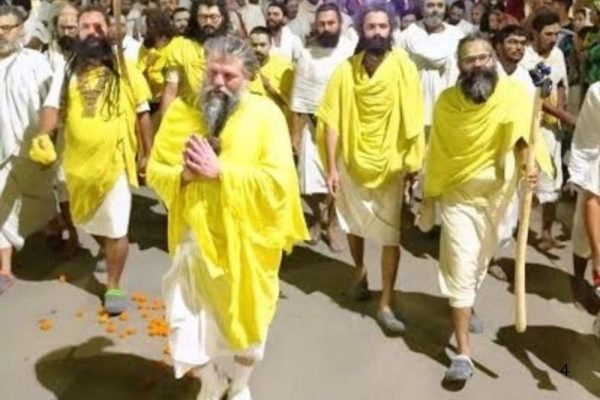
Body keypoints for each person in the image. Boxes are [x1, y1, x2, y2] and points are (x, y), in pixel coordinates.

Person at [147, 35, 308, 400]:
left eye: (229, 76)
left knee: (247, 326)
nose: (218, 83)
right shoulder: (182, 110)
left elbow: (280, 182)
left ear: (248, 76)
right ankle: (211, 381)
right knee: (184, 323)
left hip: (248, 242)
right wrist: (184, 176)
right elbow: (156, 169)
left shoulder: (266, 116)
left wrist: (221, 172)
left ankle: (239, 385)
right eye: (212, 73)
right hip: (194, 239)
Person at [423, 34, 551, 383]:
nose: (478, 64)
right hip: (459, 198)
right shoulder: (447, 104)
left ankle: (465, 301)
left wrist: (528, 165)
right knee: (461, 266)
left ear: (492, 60)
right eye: (470, 59)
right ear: (459, 65)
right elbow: (440, 151)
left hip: (499, 199)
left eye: (483, 57)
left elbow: (523, 138)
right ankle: (463, 353)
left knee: (478, 263)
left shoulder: (513, 94)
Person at [29, 6, 153, 315]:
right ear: (78, 32)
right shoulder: (67, 68)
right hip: (77, 165)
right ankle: (108, 248)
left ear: (108, 30)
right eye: (86, 27)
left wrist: (147, 154)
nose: (93, 32)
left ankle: (113, 284)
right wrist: (43, 136)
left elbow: (142, 112)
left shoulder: (124, 67)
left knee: (117, 227)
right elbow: (52, 107)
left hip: (115, 163)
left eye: (99, 26)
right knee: (83, 221)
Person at [317, 4, 425, 335]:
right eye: (370, 27)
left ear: (390, 30)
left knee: (390, 236)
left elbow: (414, 119)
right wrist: (332, 167)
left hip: (391, 165)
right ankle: (359, 271)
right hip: (351, 162)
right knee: (353, 223)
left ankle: (386, 303)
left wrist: (413, 162)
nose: (377, 32)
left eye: (382, 27)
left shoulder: (404, 67)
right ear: (361, 31)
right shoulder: (345, 71)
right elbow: (332, 119)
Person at [0, 5, 57, 294]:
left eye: (6, 28)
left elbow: (53, 104)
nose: (1, 34)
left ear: (20, 29)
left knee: (43, 198)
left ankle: (58, 226)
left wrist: (49, 139)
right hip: (1, 152)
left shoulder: (35, 62)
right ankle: (5, 269)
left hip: (34, 149)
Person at [290, 2, 354, 250]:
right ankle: (318, 218)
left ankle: (333, 224)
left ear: (339, 24)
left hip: (344, 128)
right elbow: (299, 95)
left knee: (338, 181)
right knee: (311, 181)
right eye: (322, 24)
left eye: (331, 23)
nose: (326, 28)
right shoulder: (307, 55)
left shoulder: (350, 51)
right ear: (315, 26)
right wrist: (296, 134)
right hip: (313, 126)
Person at [520, 8, 576, 250]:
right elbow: (537, 97)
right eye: (548, 34)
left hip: (552, 129)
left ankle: (545, 232)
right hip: (530, 126)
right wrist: (567, 117)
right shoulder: (526, 58)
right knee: (527, 179)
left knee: (552, 180)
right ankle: (517, 228)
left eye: (556, 34)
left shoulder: (557, 55)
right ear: (535, 33)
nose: (553, 39)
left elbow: (560, 84)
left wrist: (560, 113)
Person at [44, 3, 80, 255]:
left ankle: (105, 239)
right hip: (58, 131)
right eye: (63, 27)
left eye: (72, 27)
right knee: (61, 182)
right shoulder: (46, 56)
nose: (67, 32)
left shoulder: (92, 55)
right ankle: (71, 233)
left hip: (87, 131)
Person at [397, 0, 464, 129]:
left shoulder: (457, 36)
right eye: (430, 5)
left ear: (445, 9)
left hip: (448, 100)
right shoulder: (408, 35)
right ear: (422, 9)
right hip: (415, 101)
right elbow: (397, 67)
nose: (435, 10)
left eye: (440, 5)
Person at [160, 0, 229, 117]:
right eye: (203, 17)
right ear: (195, 18)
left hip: (225, 117)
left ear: (223, 18)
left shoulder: (232, 47)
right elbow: (170, 91)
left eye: (213, 17)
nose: (208, 22)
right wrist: (166, 123)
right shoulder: (180, 46)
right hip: (189, 117)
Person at [569, 82, 600, 301]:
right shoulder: (597, 94)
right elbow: (585, 138)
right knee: (583, 232)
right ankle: (578, 280)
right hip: (593, 164)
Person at [138, 9, 177, 113]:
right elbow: (139, 74)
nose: (140, 29)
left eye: (143, 25)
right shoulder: (144, 49)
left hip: (170, 101)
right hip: (149, 102)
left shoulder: (173, 47)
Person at [248, 26, 294, 113]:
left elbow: (291, 104)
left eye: (262, 45)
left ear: (270, 45)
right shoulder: (241, 67)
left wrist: (270, 88)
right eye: (254, 45)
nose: (258, 49)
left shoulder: (284, 66)